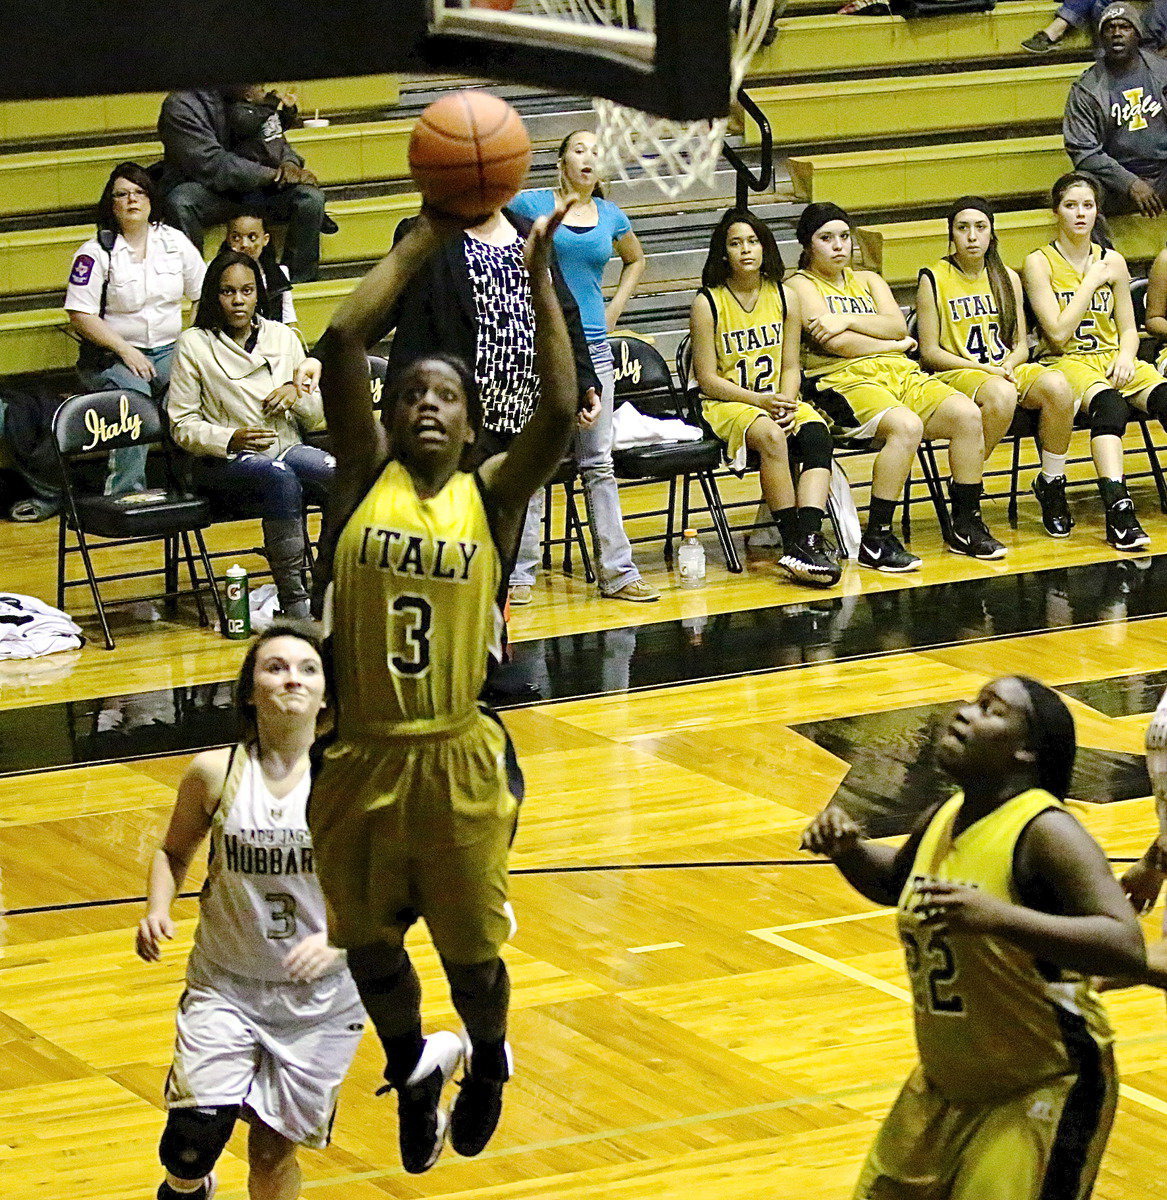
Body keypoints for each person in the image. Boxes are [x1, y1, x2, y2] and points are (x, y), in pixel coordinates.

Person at [308, 203, 580, 1173]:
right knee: (370, 947)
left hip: (456, 753)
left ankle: (490, 1061)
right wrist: (425, 234)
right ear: (387, 414)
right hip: (358, 754)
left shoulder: (492, 497)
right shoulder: (359, 476)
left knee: (472, 962)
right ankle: (410, 1066)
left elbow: (560, 410)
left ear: (470, 425)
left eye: (447, 395)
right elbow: (343, 338)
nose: (427, 403)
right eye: (412, 392)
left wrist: (538, 280)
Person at [802, 675, 1145, 1200]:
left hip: (1041, 1086)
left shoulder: (1048, 832)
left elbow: (1125, 944)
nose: (965, 712)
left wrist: (999, 918)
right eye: (971, 701)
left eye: (990, 709)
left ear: (1026, 749)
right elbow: (897, 882)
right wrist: (848, 850)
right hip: (943, 1088)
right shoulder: (944, 816)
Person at [136, 623, 364, 1200]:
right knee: (189, 1143)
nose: (292, 678)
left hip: (320, 1001)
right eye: (275, 667)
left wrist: (339, 938)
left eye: (308, 669)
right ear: (249, 691)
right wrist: (157, 908)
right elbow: (172, 852)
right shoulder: (215, 772)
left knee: (269, 1152)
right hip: (226, 985)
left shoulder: (352, 779)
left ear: (327, 695)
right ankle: (189, 1185)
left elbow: (392, 887)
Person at [787, 202, 1005, 570]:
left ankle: (966, 524)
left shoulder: (869, 280)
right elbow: (838, 345)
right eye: (826, 238)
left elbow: (897, 326)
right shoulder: (798, 285)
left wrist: (845, 318)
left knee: (967, 415)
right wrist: (891, 344)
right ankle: (877, 538)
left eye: (844, 236)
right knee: (906, 426)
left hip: (900, 373)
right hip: (841, 381)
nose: (839, 245)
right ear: (808, 245)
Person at [507, 129, 658, 603]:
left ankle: (618, 573)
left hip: (594, 346)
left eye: (596, 151)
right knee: (536, 461)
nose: (588, 157)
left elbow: (636, 260)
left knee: (598, 462)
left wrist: (613, 310)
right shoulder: (531, 204)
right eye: (578, 149)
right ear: (561, 162)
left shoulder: (611, 214)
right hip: (539, 348)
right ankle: (519, 574)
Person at [167, 251, 330, 619]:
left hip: (286, 445)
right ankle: (294, 600)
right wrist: (229, 438)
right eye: (228, 292)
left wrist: (295, 393)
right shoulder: (194, 344)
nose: (238, 300)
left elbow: (315, 417)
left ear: (259, 294)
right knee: (279, 476)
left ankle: (327, 581)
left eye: (247, 290)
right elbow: (181, 424)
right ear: (214, 296)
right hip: (224, 461)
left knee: (336, 472)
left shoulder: (283, 336)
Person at [690, 208, 841, 587]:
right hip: (728, 403)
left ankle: (809, 538)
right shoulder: (707, 302)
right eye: (735, 243)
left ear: (765, 247)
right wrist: (761, 403)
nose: (746, 249)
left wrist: (787, 403)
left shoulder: (786, 296)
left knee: (816, 435)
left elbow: (790, 365)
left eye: (753, 241)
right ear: (723, 252)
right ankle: (793, 543)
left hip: (777, 399)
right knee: (773, 436)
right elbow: (707, 379)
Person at [1023, 171, 1167, 551]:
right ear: (1056, 211)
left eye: (1087, 205)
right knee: (1111, 406)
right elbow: (1056, 333)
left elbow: (1129, 328)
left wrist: (1126, 357)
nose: (1080, 213)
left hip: (1112, 357)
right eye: (1071, 205)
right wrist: (1088, 284)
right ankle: (1119, 511)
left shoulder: (1113, 261)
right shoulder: (1038, 262)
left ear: (1097, 211)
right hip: (1066, 361)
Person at [917, 198, 1079, 537]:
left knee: (1059, 386)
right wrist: (985, 370)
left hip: (1003, 368)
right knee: (1002, 395)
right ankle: (968, 488)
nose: (972, 236)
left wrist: (1007, 364)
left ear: (991, 233)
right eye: (963, 228)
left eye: (980, 227)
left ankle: (1051, 483)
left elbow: (1020, 344)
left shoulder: (1007, 276)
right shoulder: (933, 277)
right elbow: (929, 353)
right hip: (957, 371)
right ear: (951, 234)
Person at [65, 161, 205, 495]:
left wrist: (191, 343)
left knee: (188, 396)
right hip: (113, 355)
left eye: (140, 192)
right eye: (122, 194)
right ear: (111, 204)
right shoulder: (95, 252)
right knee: (134, 402)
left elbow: (203, 294)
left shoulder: (175, 242)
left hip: (169, 349)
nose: (132, 200)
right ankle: (125, 493)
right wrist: (125, 351)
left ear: (151, 199)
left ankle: (189, 487)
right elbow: (80, 314)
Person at [158, 87, 327, 282]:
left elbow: (274, 139)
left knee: (310, 198)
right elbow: (212, 164)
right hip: (211, 191)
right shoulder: (181, 104)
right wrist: (275, 175)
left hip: (259, 189)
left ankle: (299, 283)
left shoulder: (250, 92)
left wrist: (290, 164)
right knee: (181, 202)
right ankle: (196, 285)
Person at [1063, 6, 1167, 217]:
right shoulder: (1086, 89)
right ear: (1101, 37)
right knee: (1080, 193)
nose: (1117, 33)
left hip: (1163, 169)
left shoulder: (1162, 73)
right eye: (1109, 28)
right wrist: (1129, 183)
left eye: (1125, 27)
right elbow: (1084, 151)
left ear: (1137, 34)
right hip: (1115, 179)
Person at [223, 212, 298, 327]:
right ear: (228, 240)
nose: (244, 244)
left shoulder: (279, 273)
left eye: (252, 237)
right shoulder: (216, 273)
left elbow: (289, 319)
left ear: (265, 239)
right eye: (236, 238)